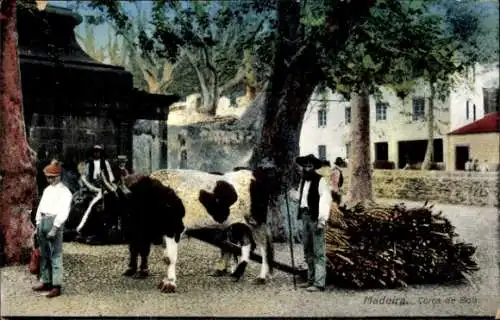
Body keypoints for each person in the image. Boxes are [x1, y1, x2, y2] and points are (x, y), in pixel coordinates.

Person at [32, 160, 73, 298]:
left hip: (54, 222)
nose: (50, 180)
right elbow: (40, 207)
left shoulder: (65, 192)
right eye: (48, 177)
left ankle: (56, 285)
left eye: (52, 177)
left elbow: (63, 211)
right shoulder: (47, 190)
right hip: (43, 221)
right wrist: (38, 223)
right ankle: (46, 281)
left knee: (55, 255)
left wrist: (55, 228)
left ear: (58, 176)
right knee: (44, 255)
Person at [294, 154, 333, 292]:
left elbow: (325, 199)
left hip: (316, 218)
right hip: (304, 217)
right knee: (307, 250)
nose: (307, 168)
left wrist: (322, 220)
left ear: (314, 167)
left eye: (310, 166)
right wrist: (291, 195)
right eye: (305, 166)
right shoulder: (303, 181)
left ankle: (319, 283)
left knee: (318, 252)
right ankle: (310, 279)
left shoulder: (321, 181)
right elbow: (300, 198)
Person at [77, 144, 116, 234]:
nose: (96, 154)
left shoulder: (105, 162)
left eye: (98, 152)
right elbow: (85, 177)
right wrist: (87, 185)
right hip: (91, 185)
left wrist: (110, 183)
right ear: (92, 153)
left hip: (104, 185)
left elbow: (110, 175)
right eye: (95, 152)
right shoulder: (88, 163)